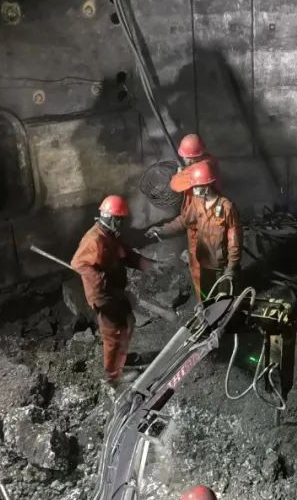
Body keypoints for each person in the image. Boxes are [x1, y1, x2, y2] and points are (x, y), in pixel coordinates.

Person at [71, 194, 153, 383]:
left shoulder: (110, 235)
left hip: (116, 291)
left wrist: (150, 265)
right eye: (120, 220)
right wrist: (101, 280)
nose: (122, 224)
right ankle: (113, 375)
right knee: (113, 334)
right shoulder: (94, 239)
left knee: (128, 323)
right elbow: (78, 263)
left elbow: (127, 255)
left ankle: (120, 359)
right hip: (104, 296)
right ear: (111, 218)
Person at [147, 161, 240, 299]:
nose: (193, 190)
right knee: (206, 298)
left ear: (206, 186)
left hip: (221, 266)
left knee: (224, 300)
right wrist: (161, 230)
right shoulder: (197, 203)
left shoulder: (227, 208)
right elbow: (183, 221)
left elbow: (234, 240)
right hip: (204, 263)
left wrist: (231, 267)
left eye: (196, 187)